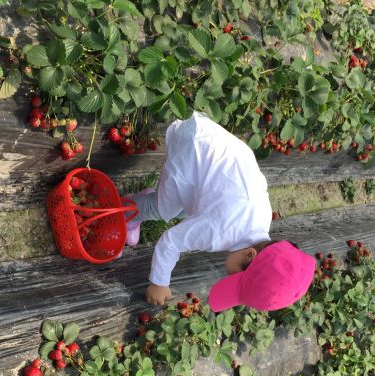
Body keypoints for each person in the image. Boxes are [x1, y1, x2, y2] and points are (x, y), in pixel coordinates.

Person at [124, 111, 316, 311]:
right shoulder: (218, 232)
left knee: (189, 208)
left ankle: (153, 200)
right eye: (235, 277)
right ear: (249, 255)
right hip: (192, 145)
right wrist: (159, 282)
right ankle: (130, 211)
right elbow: (171, 241)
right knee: (164, 209)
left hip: (216, 144)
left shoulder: (262, 218)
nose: (230, 277)